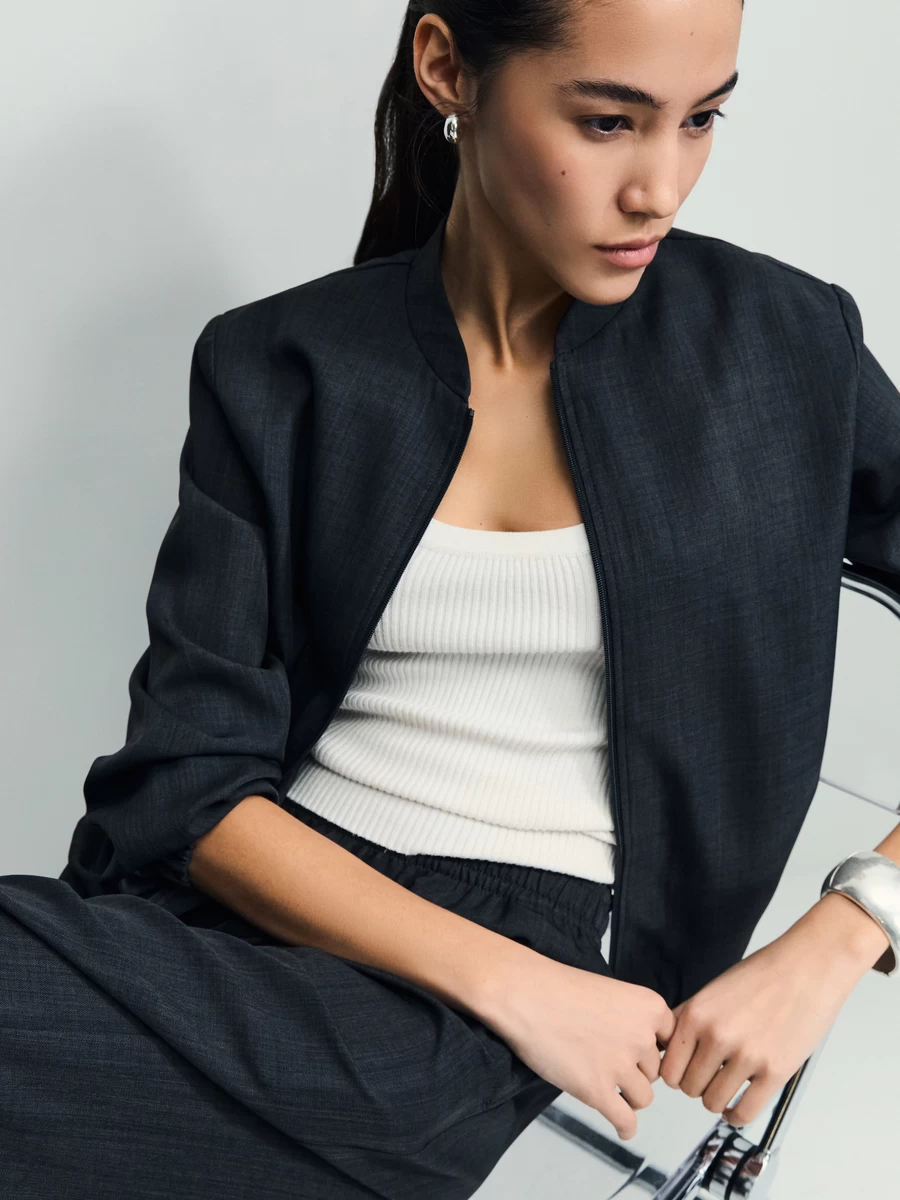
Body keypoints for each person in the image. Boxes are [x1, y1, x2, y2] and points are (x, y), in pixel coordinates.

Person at [2, 2, 898, 1197]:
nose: (660, 188)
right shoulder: (285, 364)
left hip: (477, 1010)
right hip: (257, 914)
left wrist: (852, 924)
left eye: (702, 121)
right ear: (446, 69)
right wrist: (520, 992)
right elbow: (187, 782)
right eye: (608, 121)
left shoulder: (781, 348)